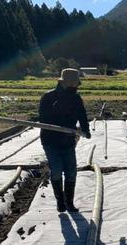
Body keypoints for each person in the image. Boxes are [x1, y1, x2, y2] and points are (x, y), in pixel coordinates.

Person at [39, 68, 91, 212]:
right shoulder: (49, 97)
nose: (76, 87)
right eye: (74, 85)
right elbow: (43, 119)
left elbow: (82, 115)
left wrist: (85, 130)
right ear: (65, 84)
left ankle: (70, 203)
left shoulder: (75, 98)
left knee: (71, 172)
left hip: (68, 140)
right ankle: (60, 202)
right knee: (56, 171)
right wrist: (59, 120)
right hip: (50, 140)